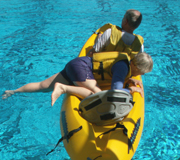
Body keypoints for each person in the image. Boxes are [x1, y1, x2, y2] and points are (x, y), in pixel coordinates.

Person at [2, 52, 153, 107]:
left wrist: (131, 78)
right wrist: (130, 89)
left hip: (76, 64)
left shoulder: (126, 62)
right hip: (82, 69)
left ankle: (12, 91)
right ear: (135, 65)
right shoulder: (123, 68)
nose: (141, 75)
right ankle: (63, 88)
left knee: (43, 85)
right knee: (98, 95)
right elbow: (115, 91)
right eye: (141, 72)